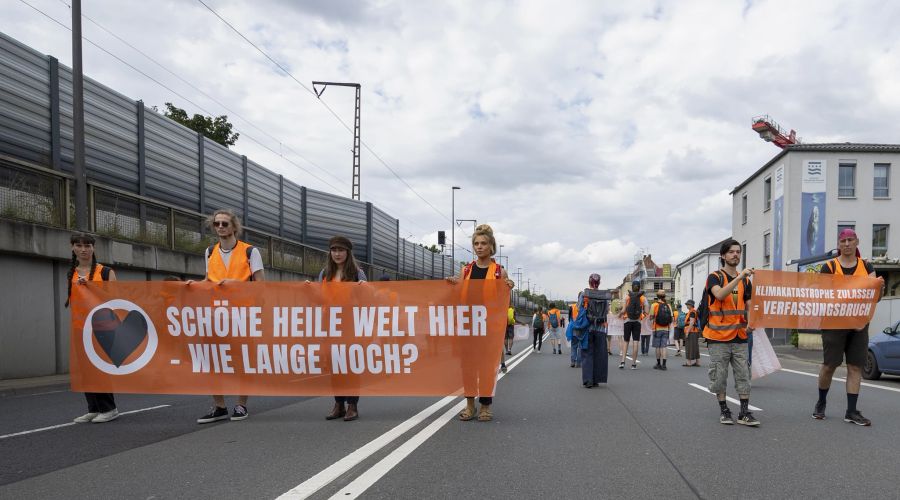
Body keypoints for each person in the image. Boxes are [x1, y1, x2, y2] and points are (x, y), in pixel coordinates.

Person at [193, 209, 266, 424]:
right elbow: (208, 281)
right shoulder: (209, 252)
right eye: (217, 224)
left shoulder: (250, 252)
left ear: (234, 226)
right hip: (216, 314)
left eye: (225, 223)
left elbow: (261, 285)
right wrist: (190, 285)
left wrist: (236, 285)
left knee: (242, 361)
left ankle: (241, 405)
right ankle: (219, 406)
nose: (221, 227)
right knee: (213, 359)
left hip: (242, 314)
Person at [814, 229, 885, 426]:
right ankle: (821, 402)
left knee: (855, 367)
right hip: (833, 324)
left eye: (850, 240)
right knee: (830, 366)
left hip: (859, 324)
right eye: (843, 240)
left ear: (857, 242)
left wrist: (880, 287)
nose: (846, 243)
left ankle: (851, 411)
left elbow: (874, 298)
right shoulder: (828, 267)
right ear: (839, 244)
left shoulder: (867, 266)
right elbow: (822, 296)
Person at [447, 224, 515, 422]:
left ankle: (485, 406)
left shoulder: (499, 272)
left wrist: (509, 286)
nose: (479, 247)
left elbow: (503, 302)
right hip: (468, 326)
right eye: (476, 243)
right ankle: (469, 405)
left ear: (491, 246)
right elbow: (459, 295)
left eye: (483, 243)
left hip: (489, 329)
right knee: (467, 367)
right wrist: (453, 283)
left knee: (486, 367)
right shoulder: (466, 270)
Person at [66, 232, 120, 424]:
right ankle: (94, 408)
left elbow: (115, 298)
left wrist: (91, 287)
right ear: (72, 247)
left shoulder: (105, 272)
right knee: (85, 370)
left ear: (93, 248)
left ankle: (109, 408)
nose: (83, 249)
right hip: (81, 327)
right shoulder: (71, 272)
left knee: (99, 368)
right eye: (79, 245)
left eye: (87, 245)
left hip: (103, 326)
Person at [703, 239, 758, 426]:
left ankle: (744, 412)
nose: (736, 255)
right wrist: (740, 277)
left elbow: (750, 306)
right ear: (723, 256)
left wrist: (751, 322)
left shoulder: (746, 282)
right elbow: (719, 295)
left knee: (744, 374)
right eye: (732, 252)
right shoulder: (715, 277)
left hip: (740, 335)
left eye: (738, 252)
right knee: (719, 375)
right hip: (718, 337)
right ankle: (724, 409)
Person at [318, 235, 367, 422]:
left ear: (348, 252)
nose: (337, 254)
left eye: (341, 250)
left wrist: (365, 288)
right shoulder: (325, 274)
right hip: (331, 325)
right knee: (335, 365)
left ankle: (352, 405)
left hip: (351, 325)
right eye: (334, 250)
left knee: (350, 366)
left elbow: (366, 299)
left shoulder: (357, 273)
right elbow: (319, 298)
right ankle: (338, 403)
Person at [575, 273, 609, 387]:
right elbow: (607, 310)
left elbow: (579, 308)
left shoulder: (585, 294)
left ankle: (588, 380)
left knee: (587, 354)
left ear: (589, 282)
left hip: (588, 328)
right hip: (600, 328)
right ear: (599, 283)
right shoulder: (604, 295)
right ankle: (596, 380)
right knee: (599, 354)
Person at [619, 280, 647, 370]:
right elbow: (646, 311)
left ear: (632, 287)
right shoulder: (643, 298)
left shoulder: (627, 296)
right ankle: (634, 364)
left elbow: (623, 310)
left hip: (627, 320)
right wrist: (642, 315)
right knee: (636, 342)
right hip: (637, 322)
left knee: (626, 341)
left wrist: (619, 314)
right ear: (639, 287)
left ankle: (623, 362)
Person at [650, 290, 672, 371]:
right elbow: (671, 318)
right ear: (664, 296)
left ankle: (658, 364)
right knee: (664, 346)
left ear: (657, 296)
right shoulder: (668, 305)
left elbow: (651, 317)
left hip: (656, 329)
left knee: (658, 347)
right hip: (666, 328)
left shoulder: (654, 305)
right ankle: (664, 365)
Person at [683, 299, 701, 367]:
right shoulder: (693, 311)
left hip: (691, 331)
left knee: (689, 346)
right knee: (695, 346)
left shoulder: (692, 312)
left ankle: (688, 362)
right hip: (694, 331)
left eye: (687, 304)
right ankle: (698, 362)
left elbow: (691, 322)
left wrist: (687, 332)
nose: (687, 305)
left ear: (690, 305)